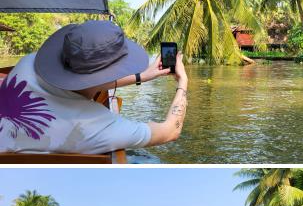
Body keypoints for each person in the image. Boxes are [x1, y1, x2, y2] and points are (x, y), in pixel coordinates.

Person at [0, 20, 188, 155]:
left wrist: (142, 76)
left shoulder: (28, 63)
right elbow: (170, 130)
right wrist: (183, 82)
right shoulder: (95, 126)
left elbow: (85, 82)